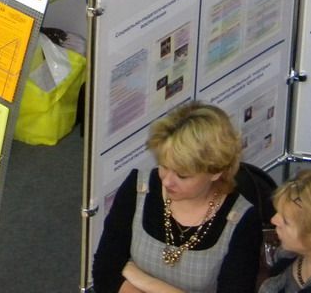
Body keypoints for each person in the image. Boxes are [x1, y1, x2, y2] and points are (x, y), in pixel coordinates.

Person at [92, 101, 262, 293]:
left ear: (216, 172)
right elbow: (104, 274)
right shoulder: (138, 188)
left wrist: (143, 280)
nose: (167, 181)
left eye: (182, 175)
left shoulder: (243, 220)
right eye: (164, 166)